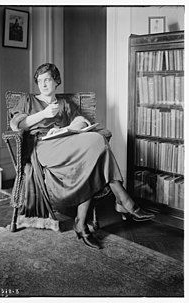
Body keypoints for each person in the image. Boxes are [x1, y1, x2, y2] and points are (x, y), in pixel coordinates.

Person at [10, 63, 155, 250]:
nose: (43, 84)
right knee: (96, 141)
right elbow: (17, 125)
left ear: (56, 81)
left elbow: (80, 120)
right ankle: (124, 201)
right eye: (39, 81)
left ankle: (81, 223)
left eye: (47, 80)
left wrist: (71, 126)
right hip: (43, 147)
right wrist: (43, 114)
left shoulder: (63, 103)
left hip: (67, 145)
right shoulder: (29, 100)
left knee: (93, 154)